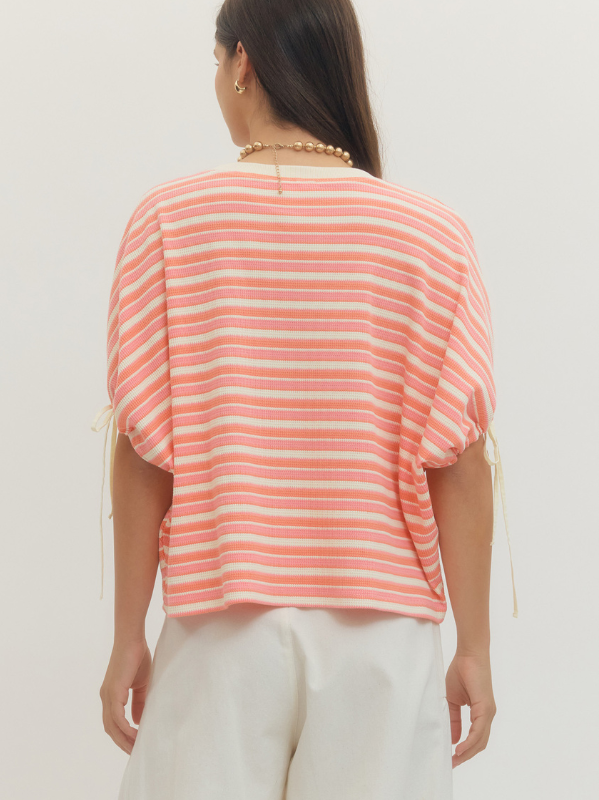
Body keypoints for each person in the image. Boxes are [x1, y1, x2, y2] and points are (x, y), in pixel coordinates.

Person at [92, 1, 518, 797]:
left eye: (216, 64)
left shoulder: (169, 222)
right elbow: (458, 460)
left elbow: (144, 447)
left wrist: (127, 637)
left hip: (221, 627)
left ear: (243, 64)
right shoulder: (434, 236)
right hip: (383, 635)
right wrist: (474, 646)